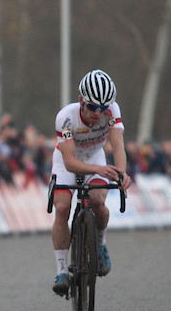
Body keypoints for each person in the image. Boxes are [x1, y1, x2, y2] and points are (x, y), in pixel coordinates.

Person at [50, 69, 132, 296]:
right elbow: (69, 162)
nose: (98, 113)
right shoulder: (66, 117)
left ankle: (101, 243)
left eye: (103, 108)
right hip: (69, 159)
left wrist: (121, 173)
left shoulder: (112, 111)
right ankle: (62, 270)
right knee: (62, 208)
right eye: (93, 107)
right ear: (81, 102)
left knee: (98, 201)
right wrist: (100, 170)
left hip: (96, 156)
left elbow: (117, 145)